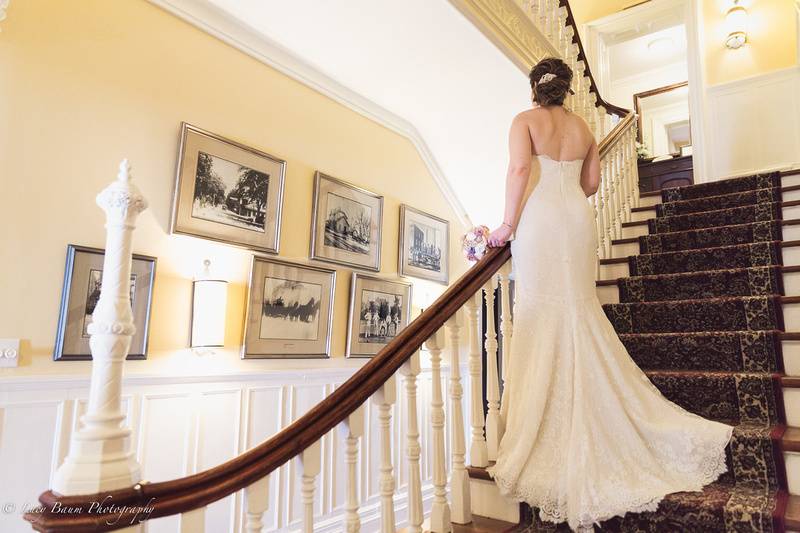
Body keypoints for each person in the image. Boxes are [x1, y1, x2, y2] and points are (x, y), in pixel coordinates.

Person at [484, 57, 733, 532]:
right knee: (579, 310)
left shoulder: (523, 121)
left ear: (535, 88)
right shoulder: (583, 129)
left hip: (539, 223)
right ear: (568, 89)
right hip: (577, 221)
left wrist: (507, 225)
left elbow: (519, 170)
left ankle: (543, 421)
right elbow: (593, 184)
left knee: (540, 312)